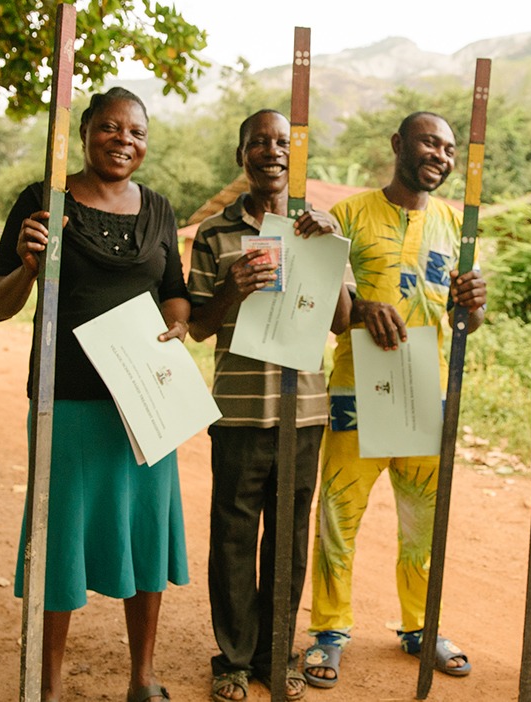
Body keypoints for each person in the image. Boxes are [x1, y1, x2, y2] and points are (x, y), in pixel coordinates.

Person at [0, 87, 188, 702]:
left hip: (148, 402)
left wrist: (176, 323)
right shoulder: (43, 201)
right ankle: (47, 686)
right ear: (85, 132)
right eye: (110, 128)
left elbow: (173, 288)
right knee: (59, 540)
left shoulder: (158, 208)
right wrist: (27, 266)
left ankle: (142, 677)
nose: (124, 140)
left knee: (147, 533)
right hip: (67, 401)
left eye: (137, 132)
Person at [303, 111, 487, 688]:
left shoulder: (460, 227)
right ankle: (329, 632)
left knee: (423, 521)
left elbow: (468, 320)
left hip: (422, 396)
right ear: (398, 144)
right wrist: (359, 309)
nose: (441, 154)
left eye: (450, 148)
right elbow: (327, 311)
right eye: (429, 142)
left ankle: (420, 628)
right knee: (337, 514)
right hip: (356, 393)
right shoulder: (349, 217)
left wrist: (473, 301)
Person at [188, 109, 351, 702]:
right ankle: (232, 659)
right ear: (242, 156)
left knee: (289, 536)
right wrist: (234, 287)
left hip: (304, 411)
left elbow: (343, 321)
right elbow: (201, 327)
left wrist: (328, 252)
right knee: (233, 535)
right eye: (259, 142)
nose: (272, 151)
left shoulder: (320, 230)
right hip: (237, 410)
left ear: (294, 155)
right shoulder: (213, 234)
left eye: (282, 142)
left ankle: (275, 654)